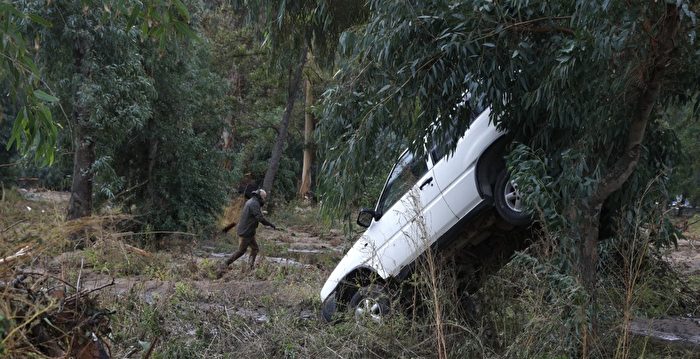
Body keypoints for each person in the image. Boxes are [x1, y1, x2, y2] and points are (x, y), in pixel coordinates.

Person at [217, 189, 276, 277]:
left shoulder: (252, 201)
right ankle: (224, 265)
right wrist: (271, 225)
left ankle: (250, 268)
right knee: (241, 251)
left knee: (255, 249)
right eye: (264, 197)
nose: (264, 199)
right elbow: (260, 218)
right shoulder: (254, 203)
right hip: (246, 232)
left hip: (249, 231)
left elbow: (256, 215)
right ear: (259, 196)